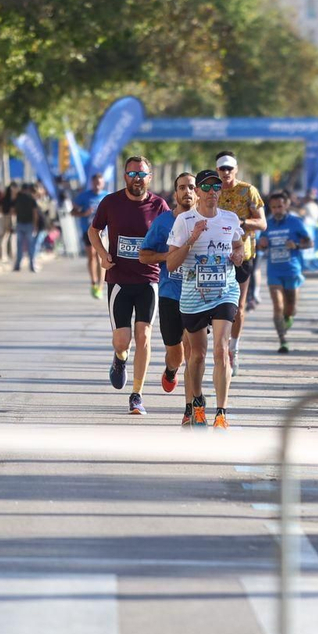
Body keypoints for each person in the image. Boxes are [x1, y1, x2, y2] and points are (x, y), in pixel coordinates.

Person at [165, 168, 247, 430]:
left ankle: (221, 413)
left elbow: (238, 246)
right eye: (207, 187)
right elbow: (170, 264)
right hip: (193, 295)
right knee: (197, 356)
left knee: (221, 350)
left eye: (217, 188)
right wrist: (193, 238)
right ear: (197, 191)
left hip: (225, 291)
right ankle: (197, 403)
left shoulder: (231, 218)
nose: (212, 192)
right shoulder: (185, 221)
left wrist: (238, 256)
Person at [89, 156, 171, 414]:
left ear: (150, 177)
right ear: (125, 176)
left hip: (149, 279)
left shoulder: (159, 206)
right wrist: (103, 254)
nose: (137, 179)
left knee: (144, 336)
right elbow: (94, 230)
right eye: (132, 174)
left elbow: (173, 233)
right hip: (119, 280)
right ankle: (120, 358)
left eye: (142, 174)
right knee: (122, 341)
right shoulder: (111, 202)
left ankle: (137, 395)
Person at [140, 172, 196, 423]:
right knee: (176, 353)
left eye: (192, 187)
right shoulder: (163, 223)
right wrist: (169, 257)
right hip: (170, 293)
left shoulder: (207, 220)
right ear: (175, 194)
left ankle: (192, 409)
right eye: (182, 187)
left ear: (198, 192)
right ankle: (171, 370)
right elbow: (144, 255)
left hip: (199, 295)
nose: (187, 192)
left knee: (195, 352)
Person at [212, 152, 265, 372]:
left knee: (238, 307)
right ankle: (218, 348)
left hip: (242, 255)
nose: (226, 173)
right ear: (217, 170)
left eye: (229, 169)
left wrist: (241, 222)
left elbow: (262, 224)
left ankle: (233, 349)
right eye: (222, 169)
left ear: (236, 169)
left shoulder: (248, 191)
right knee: (214, 306)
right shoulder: (210, 189)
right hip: (214, 255)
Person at [257, 190, 313, 354]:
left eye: (280, 206)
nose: (277, 210)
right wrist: (262, 244)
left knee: (291, 308)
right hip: (274, 271)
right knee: (278, 306)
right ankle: (283, 340)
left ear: (286, 205)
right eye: (273, 207)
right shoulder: (267, 224)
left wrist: (296, 246)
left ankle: (288, 318)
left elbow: (309, 243)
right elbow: (260, 246)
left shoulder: (296, 222)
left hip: (292, 270)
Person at [73, 173, 106, 297]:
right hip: (87, 230)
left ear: (103, 183)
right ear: (92, 183)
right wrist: (83, 213)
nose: (98, 184)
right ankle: (93, 282)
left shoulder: (107, 196)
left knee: (101, 257)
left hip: (103, 232)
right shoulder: (84, 196)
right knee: (91, 256)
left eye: (100, 182)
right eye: (96, 182)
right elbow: (73, 212)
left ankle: (100, 286)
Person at [12, 182, 42, 273]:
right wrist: (35, 224)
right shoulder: (31, 199)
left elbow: (13, 211)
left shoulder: (18, 198)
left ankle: (18, 265)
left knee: (19, 245)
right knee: (30, 245)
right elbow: (35, 213)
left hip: (19, 223)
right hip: (29, 224)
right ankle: (32, 265)